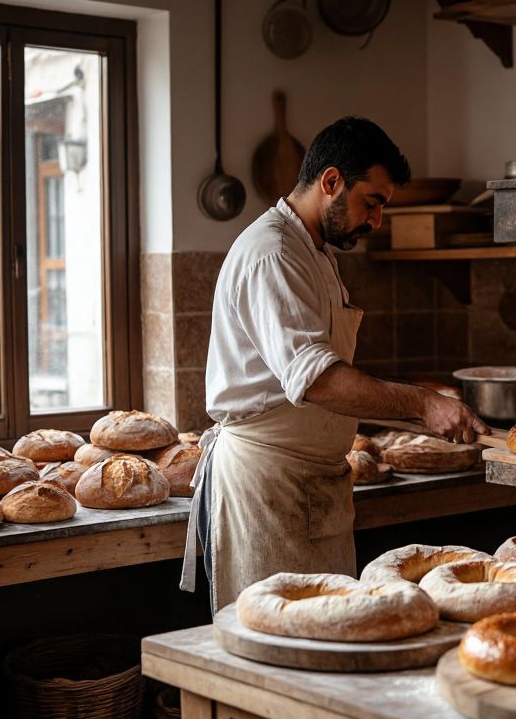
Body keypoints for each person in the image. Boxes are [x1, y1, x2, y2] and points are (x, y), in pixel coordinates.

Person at [180, 117, 489, 611]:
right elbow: (319, 381)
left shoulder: (315, 253)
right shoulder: (273, 253)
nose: (376, 221)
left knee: (325, 641)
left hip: (313, 483)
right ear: (331, 182)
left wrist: (420, 413)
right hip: (267, 490)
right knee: (275, 657)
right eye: (373, 201)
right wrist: (422, 403)